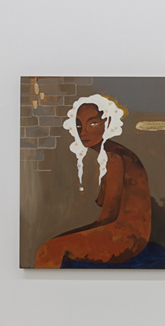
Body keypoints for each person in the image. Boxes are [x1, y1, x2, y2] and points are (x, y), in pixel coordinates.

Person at [33, 95, 152, 268]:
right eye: (79, 125)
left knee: (49, 250)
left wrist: (70, 236)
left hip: (127, 236)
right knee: (54, 244)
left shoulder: (115, 158)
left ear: (108, 123)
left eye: (93, 124)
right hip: (123, 230)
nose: (83, 132)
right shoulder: (107, 155)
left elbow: (108, 216)